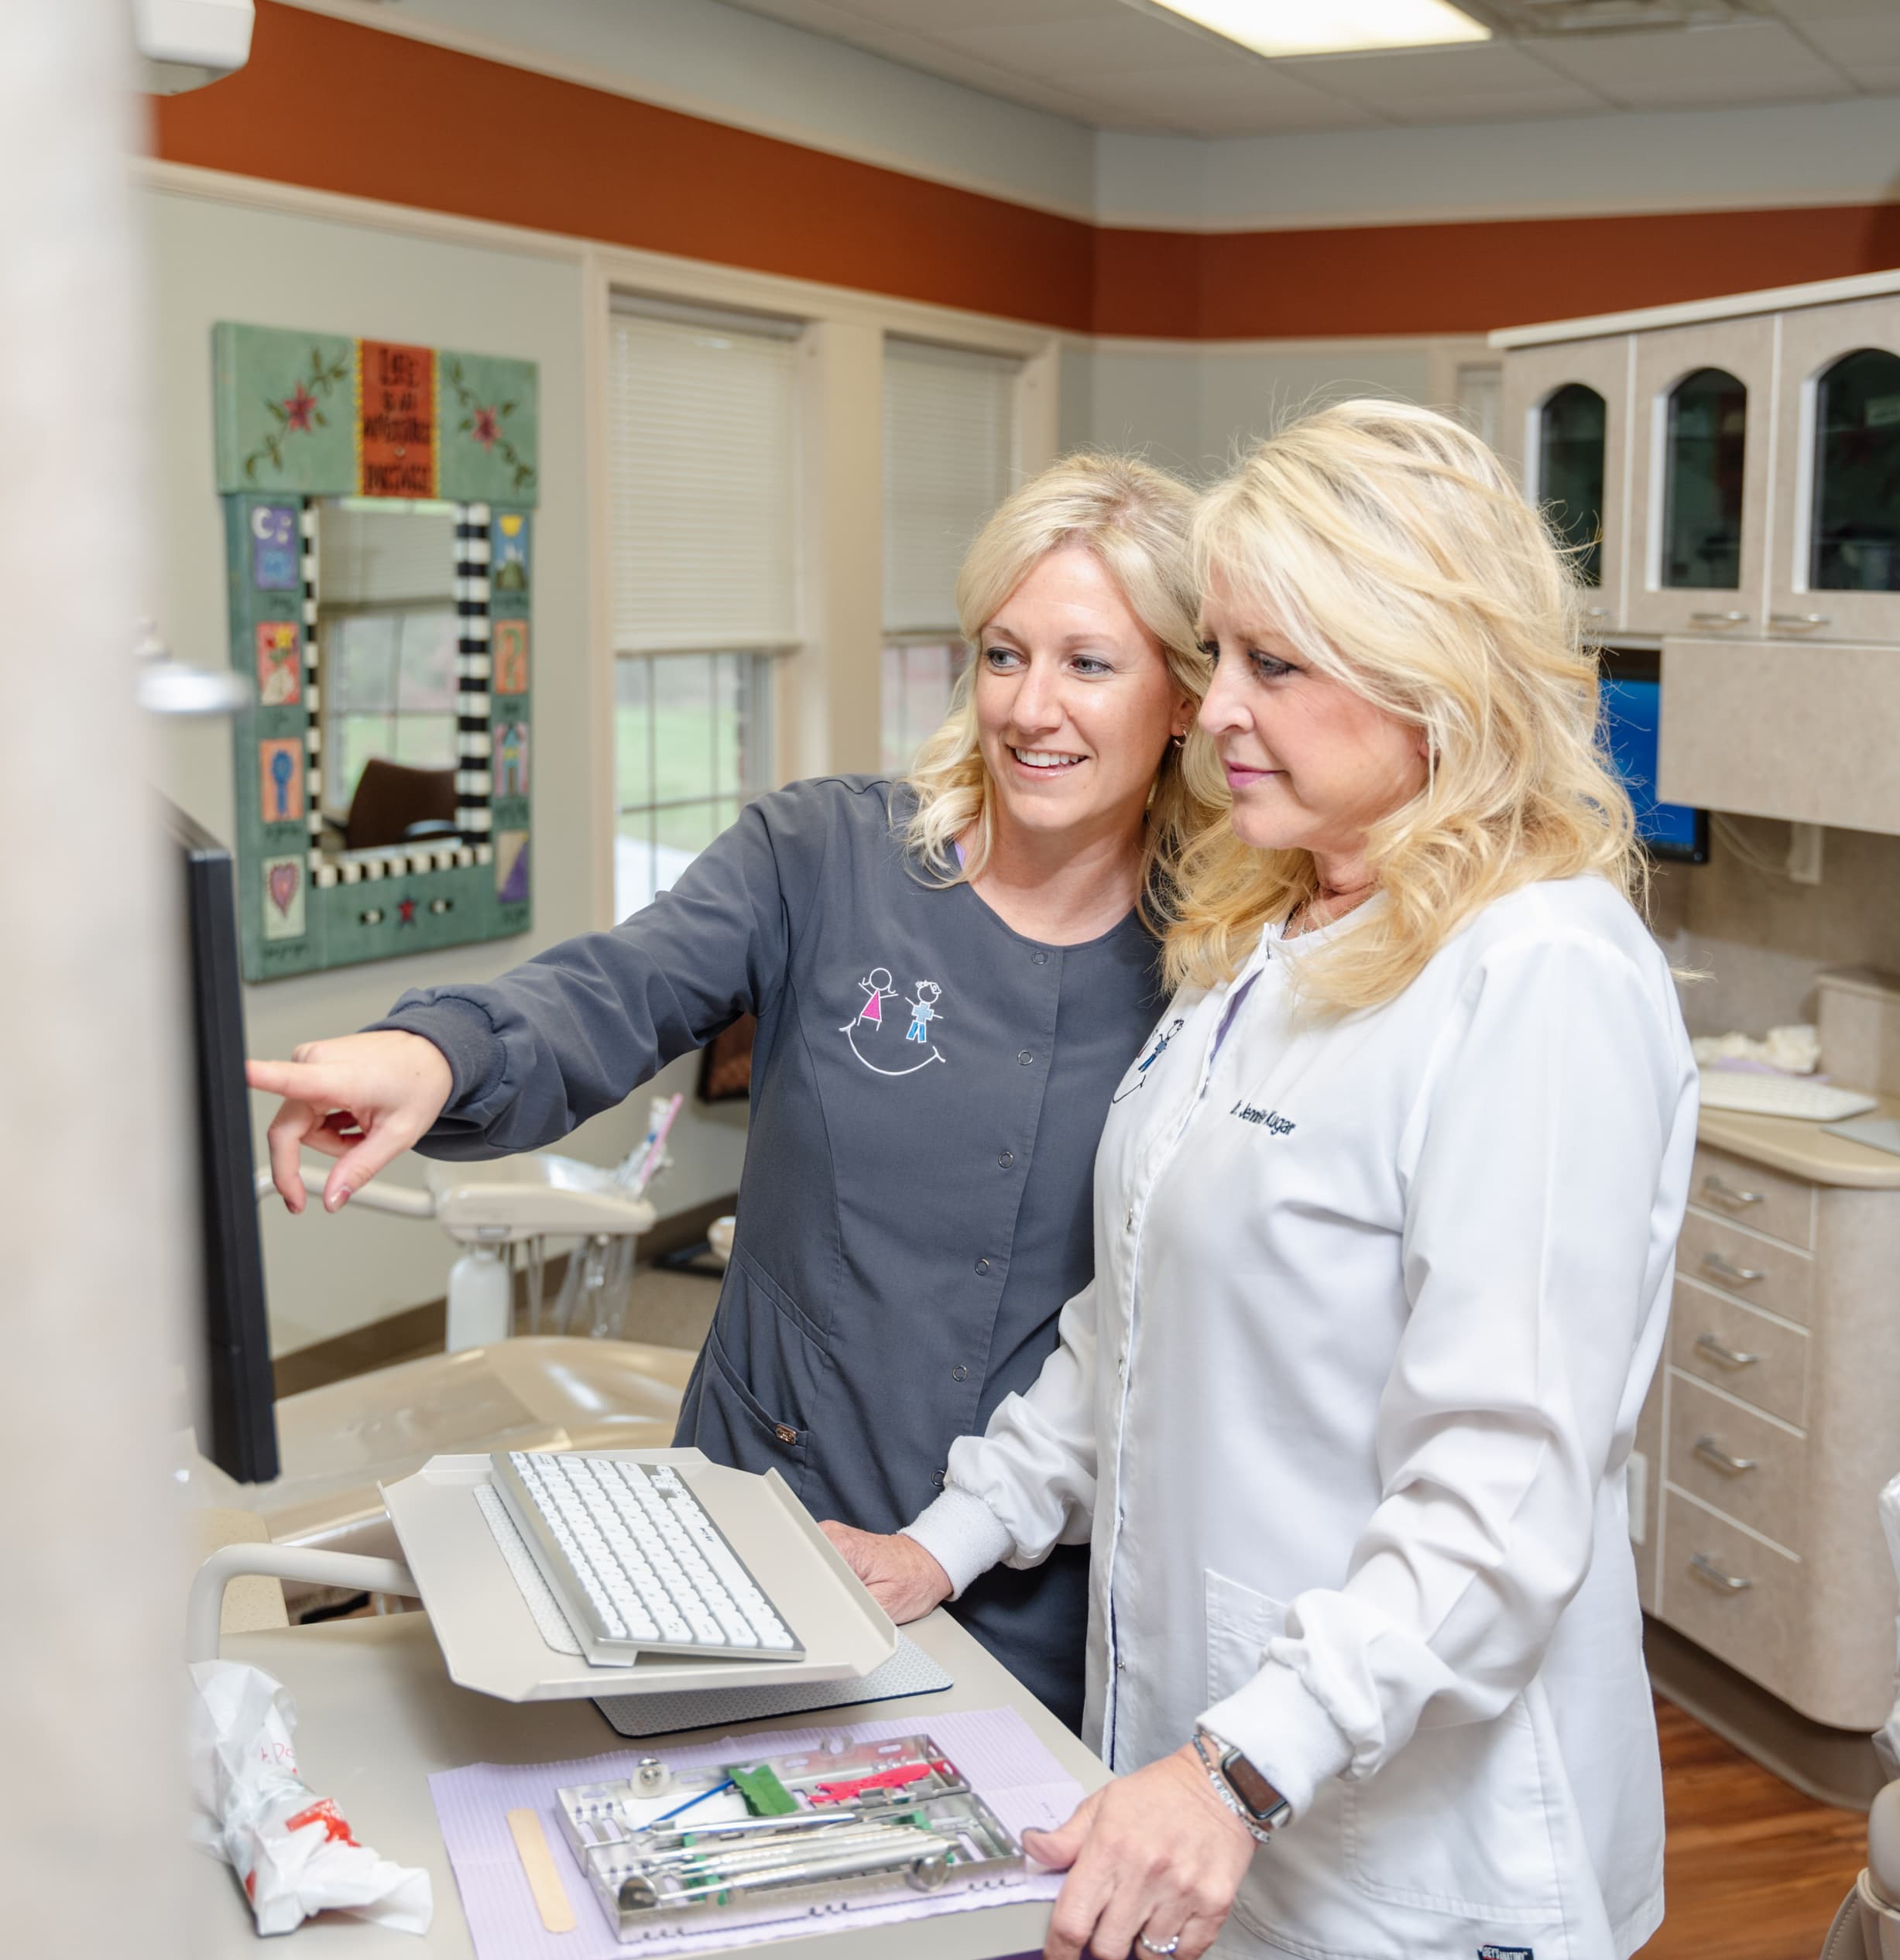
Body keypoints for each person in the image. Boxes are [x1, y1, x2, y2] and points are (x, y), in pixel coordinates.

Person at [832, 400, 1698, 1960]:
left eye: (1273, 664)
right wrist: (944, 1540)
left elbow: (1502, 1493)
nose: (1216, 707)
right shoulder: (1273, 934)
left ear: (1429, 665)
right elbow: (1133, 1317)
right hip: (1198, 1791)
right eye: (1216, 653)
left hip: (1405, 1860)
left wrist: (1245, 1759)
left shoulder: (1541, 970)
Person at [245, 455, 1218, 1729]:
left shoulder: (1223, 956)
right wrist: (435, 1054)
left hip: (1043, 1573)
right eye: (1000, 654)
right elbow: (615, 990)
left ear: (1187, 699)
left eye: (1089, 664)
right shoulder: (825, 856)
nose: (1030, 707)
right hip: (770, 1503)